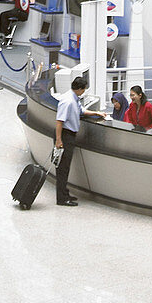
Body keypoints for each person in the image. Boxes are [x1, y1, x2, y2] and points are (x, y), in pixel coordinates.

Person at [54, 75, 105, 206]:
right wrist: (59, 141)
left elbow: (80, 110)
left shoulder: (73, 98)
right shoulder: (68, 101)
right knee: (63, 168)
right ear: (80, 89)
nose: (84, 92)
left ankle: (65, 193)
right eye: (84, 90)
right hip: (65, 136)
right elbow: (59, 121)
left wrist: (95, 113)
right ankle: (61, 198)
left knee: (66, 167)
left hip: (69, 136)